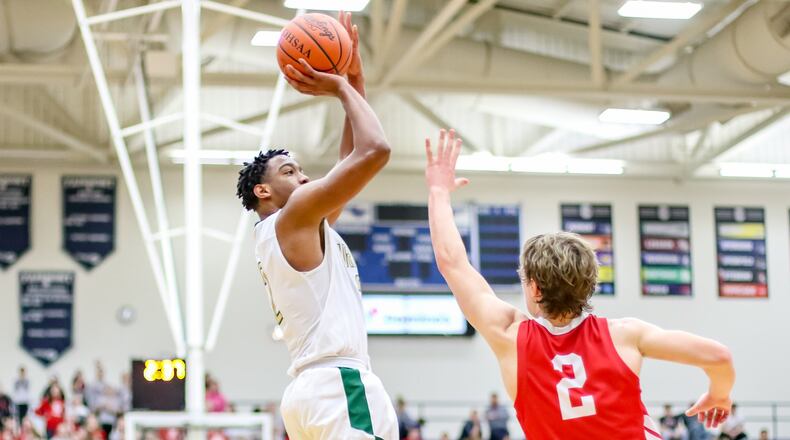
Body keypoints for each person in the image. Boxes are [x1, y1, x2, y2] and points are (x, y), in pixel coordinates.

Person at [423, 128, 736, 439]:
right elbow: (719, 356)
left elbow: (452, 262)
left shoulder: (509, 335)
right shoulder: (625, 334)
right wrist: (719, 395)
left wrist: (439, 192)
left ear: (534, 288)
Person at [237, 12, 396, 440]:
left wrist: (355, 80)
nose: (304, 178)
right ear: (263, 192)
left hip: (310, 393)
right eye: (289, 172)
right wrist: (342, 87)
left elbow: (350, 161)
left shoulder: (293, 229)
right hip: (338, 384)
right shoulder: (295, 218)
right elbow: (375, 150)